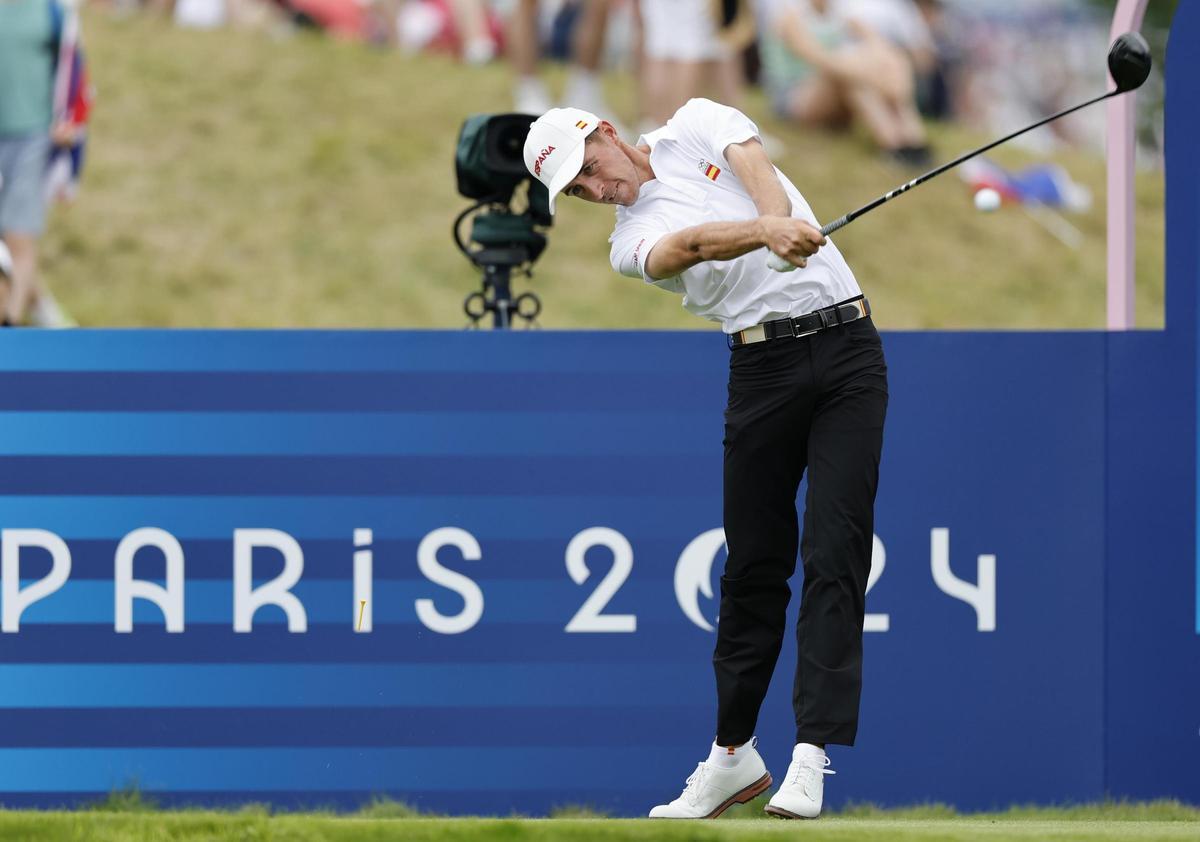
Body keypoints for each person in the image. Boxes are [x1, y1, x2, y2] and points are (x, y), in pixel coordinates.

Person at [523, 99, 887, 819]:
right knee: (753, 566)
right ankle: (732, 755)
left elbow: (755, 166)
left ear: (604, 131)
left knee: (835, 548)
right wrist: (765, 231)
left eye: (590, 170)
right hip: (761, 373)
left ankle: (810, 756)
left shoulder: (694, 121)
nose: (596, 191)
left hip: (849, 353)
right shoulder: (630, 243)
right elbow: (687, 248)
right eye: (576, 191)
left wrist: (777, 220)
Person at [757, 0, 930, 165]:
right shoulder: (790, 14)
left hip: (832, 92)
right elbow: (820, 59)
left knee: (890, 60)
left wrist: (889, 67)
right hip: (794, 98)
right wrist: (873, 76)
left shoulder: (841, 13)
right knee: (850, 70)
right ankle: (893, 144)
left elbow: (879, 45)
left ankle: (911, 139)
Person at [0, 0, 81, 327]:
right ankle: (45, 310)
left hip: (33, 136)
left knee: (18, 235)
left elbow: (73, 65)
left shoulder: (52, 10)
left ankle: (11, 328)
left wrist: (70, 118)